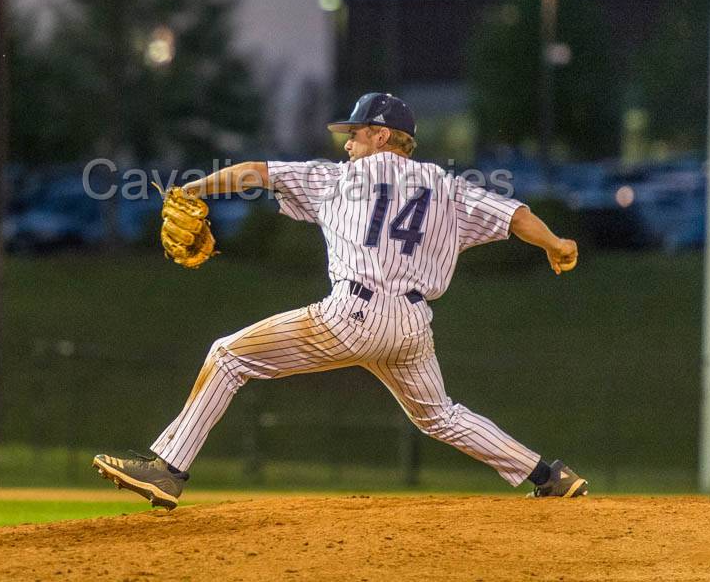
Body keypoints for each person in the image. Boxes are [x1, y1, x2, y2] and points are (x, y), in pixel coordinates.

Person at [94, 93, 587, 508]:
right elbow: (516, 214)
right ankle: (549, 476)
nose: (347, 143)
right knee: (440, 416)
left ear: (381, 135)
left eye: (354, 133)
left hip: (352, 314)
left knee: (227, 357)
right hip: (412, 325)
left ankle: (169, 470)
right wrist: (557, 244)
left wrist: (193, 189)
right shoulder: (446, 185)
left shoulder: (336, 180)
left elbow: (254, 172)